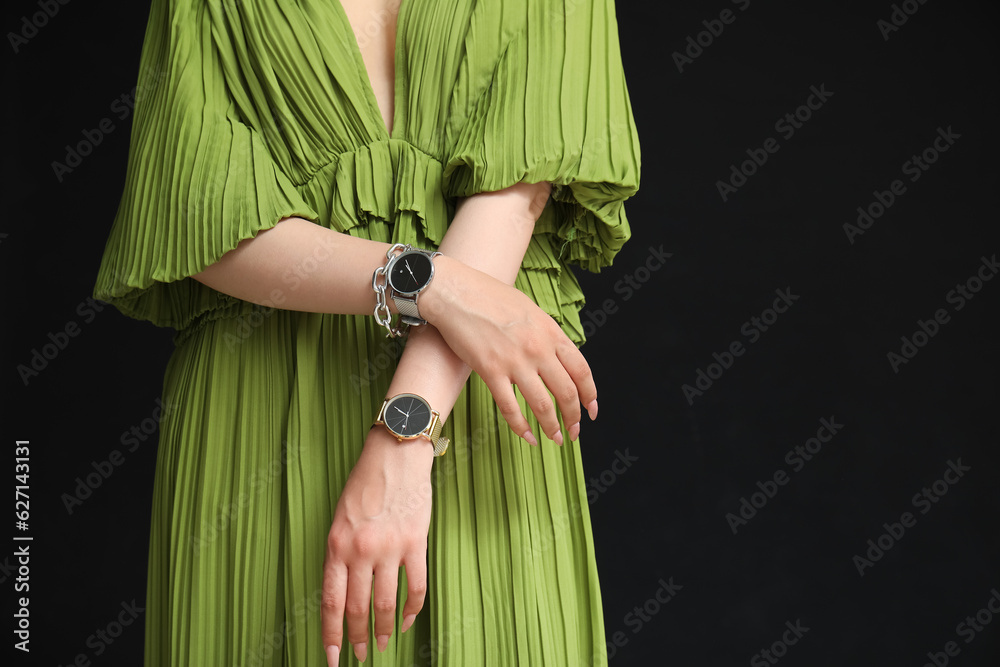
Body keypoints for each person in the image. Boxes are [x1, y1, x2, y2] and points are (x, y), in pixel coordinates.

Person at [93, 0, 640, 664]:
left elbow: (518, 186)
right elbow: (197, 215)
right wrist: (433, 284)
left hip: (480, 403)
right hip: (262, 400)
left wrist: (405, 436)